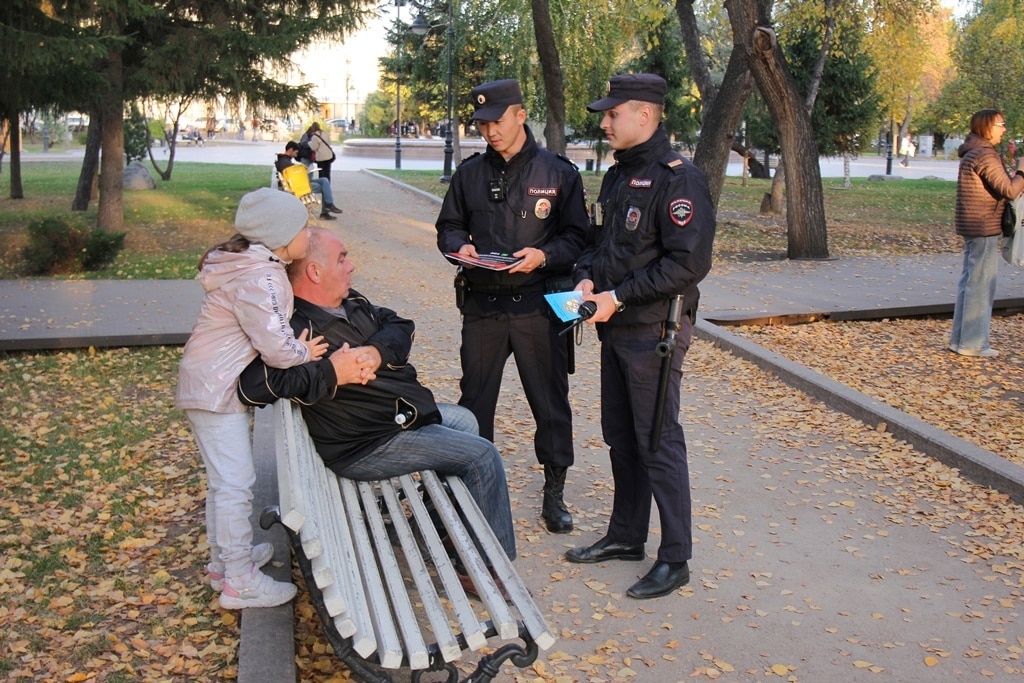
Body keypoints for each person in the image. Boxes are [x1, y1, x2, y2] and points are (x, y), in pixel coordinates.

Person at [237, 228, 517, 571]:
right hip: (366, 442)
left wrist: (375, 352)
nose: (351, 265)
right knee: (482, 457)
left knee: (467, 421)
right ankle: (490, 570)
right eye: (342, 258)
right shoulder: (293, 328)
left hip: (391, 418)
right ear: (314, 272)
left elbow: (400, 324)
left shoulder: (350, 302)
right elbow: (252, 386)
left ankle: (437, 529)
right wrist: (332, 373)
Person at [564, 74, 715, 600]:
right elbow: (599, 242)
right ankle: (627, 536)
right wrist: (586, 275)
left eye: (613, 114)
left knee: (657, 441)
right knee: (622, 437)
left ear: (645, 115)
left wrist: (619, 297)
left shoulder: (679, 180)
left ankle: (675, 558)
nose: (604, 122)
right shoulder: (619, 176)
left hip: (653, 330)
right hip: (617, 326)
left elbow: (688, 264)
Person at [434, 78, 589, 534]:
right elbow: (448, 225)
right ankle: (473, 492)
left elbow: (578, 237)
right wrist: (459, 244)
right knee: (475, 402)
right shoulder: (469, 174)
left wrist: (544, 255)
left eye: (497, 122)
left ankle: (554, 492)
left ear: (521, 114)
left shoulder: (558, 173)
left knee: (550, 402)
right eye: (482, 124)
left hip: (538, 308)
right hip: (482, 306)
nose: (489, 132)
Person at [176, 188, 330, 610]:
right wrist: (306, 352)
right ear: (282, 238)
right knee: (234, 484)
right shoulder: (261, 276)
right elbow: (277, 349)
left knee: (223, 483)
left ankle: (225, 564)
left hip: (208, 383)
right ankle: (240, 581)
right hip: (214, 388)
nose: (309, 234)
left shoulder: (252, 264)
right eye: (303, 228)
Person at [950, 109, 1024, 358]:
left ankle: (960, 340)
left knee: (969, 283)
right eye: (1000, 124)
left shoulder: (973, 151)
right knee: (981, 285)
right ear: (986, 127)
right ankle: (973, 344)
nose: (1004, 129)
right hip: (983, 226)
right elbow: (1009, 190)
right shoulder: (985, 155)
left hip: (973, 225)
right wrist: (1022, 173)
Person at [276, 141, 343, 220]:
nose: (296, 155)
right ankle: (327, 208)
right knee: (324, 187)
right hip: (298, 186)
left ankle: (329, 205)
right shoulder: (284, 161)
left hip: (299, 182)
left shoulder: (283, 160)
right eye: (296, 153)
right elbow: (292, 174)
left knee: (324, 180)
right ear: (291, 150)